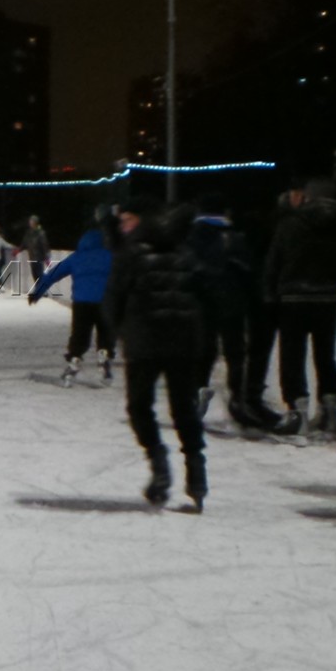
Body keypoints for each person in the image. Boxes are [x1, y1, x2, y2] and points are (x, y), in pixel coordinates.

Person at [104, 201, 210, 513]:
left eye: (127, 220)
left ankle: (159, 463)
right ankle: (197, 473)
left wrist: (121, 332)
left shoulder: (131, 253)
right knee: (184, 409)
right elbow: (203, 299)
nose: (123, 226)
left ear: (140, 221)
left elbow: (113, 299)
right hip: (183, 344)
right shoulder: (186, 252)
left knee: (139, 406)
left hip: (144, 343)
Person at [184, 195, 282, 432]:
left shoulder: (191, 237)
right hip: (233, 305)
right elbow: (249, 273)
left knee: (203, 352)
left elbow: (185, 271)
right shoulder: (236, 238)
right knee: (235, 353)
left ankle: (196, 396)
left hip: (201, 305)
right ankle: (239, 399)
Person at [265, 178, 336, 437]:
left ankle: (297, 410)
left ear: (308, 197)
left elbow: (274, 260)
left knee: (293, 354)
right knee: (325, 354)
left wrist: (270, 293)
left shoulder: (290, 223)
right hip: (328, 298)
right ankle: (330, 408)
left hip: (293, 297)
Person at [28, 222, 116, 386]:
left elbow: (53, 274)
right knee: (105, 332)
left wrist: (37, 291)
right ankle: (104, 355)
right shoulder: (109, 256)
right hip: (105, 302)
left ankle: (74, 360)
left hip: (82, 303)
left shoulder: (77, 257)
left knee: (80, 334)